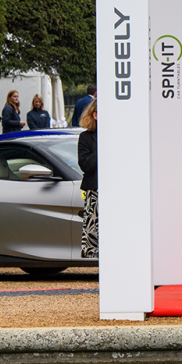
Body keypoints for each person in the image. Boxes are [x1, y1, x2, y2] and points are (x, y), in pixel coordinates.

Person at [78, 99, 98, 259]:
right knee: (94, 237)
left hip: (117, 191)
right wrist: (103, 146)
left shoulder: (120, 136)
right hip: (95, 191)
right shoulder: (85, 137)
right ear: (95, 115)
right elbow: (85, 165)